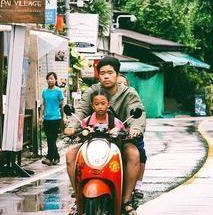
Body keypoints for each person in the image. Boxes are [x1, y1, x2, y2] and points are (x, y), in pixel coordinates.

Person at [65, 56, 145, 215]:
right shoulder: (92, 91)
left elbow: (138, 112)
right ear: (98, 75)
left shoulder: (129, 93)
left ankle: (126, 200)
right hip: (93, 139)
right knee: (70, 154)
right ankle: (78, 199)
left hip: (120, 139)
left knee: (134, 154)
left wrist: (135, 129)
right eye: (102, 73)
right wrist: (72, 126)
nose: (106, 76)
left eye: (110, 72)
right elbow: (81, 111)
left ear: (117, 74)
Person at [117, 74, 147, 199]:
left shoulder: (131, 99)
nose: (120, 86)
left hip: (129, 136)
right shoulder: (103, 100)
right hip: (109, 137)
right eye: (118, 83)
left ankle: (137, 185)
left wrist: (134, 130)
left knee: (140, 154)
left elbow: (138, 117)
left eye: (123, 84)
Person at [41, 72, 65, 165]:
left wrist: (64, 117)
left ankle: (49, 158)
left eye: (52, 78)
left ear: (55, 80)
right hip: (47, 118)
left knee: (52, 138)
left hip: (56, 117)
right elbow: (44, 104)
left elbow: (62, 104)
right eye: (48, 78)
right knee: (49, 138)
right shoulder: (45, 92)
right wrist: (41, 116)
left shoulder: (58, 91)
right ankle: (56, 157)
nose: (50, 80)